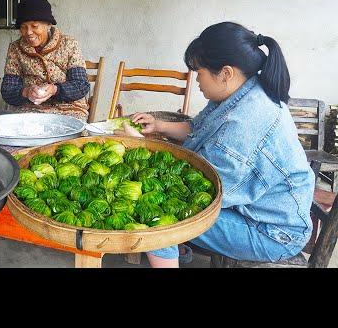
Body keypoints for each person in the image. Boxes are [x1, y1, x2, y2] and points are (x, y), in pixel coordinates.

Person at [131, 22, 314, 268]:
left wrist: (140, 150)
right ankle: (177, 248)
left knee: (159, 217)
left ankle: (172, 245)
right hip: (253, 209)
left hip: (272, 232)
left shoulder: (246, 122)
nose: (196, 80)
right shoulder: (240, 92)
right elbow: (198, 129)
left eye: (200, 72)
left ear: (225, 73)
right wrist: (159, 126)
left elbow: (203, 193)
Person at [0, 0, 91, 121]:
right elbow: (7, 90)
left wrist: (55, 90)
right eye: (23, 27)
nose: (28, 32)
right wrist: (26, 92)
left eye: (34, 26)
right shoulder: (15, 48)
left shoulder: (69, 44)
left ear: (48, 25)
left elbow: (81, 85)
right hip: (30, 110)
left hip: (68, 109)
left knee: (64, 133)